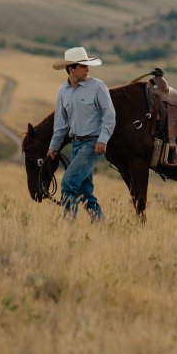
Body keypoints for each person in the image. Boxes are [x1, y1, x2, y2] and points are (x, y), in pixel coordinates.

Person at [47, 46, 116, 222]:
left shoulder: (97, 87)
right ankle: (102, 225)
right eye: (83, 66)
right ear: (71, 68)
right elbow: (61, 123)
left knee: (68, 183)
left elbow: (109, 116)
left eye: (87, 66)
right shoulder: (63, 91)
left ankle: (67, 226)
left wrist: (103, 140)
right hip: (76, 144)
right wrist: (54, 146)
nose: (88, 69)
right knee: (84, 192)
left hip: (92, 144)